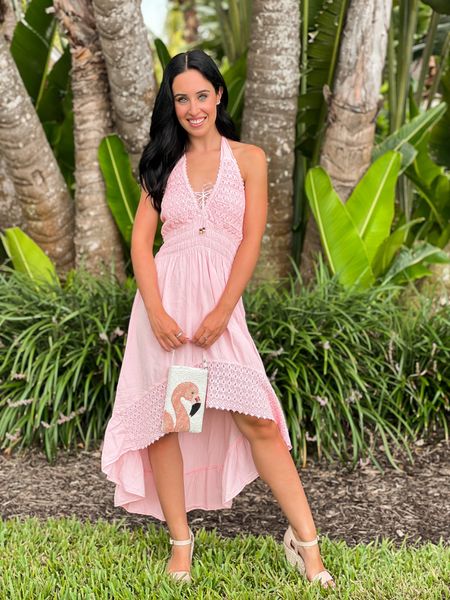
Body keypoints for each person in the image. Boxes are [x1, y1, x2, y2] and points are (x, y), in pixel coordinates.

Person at [101, 49, 335, 590]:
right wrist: (156, 311)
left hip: (219, 309)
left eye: (201, 95)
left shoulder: (249, 158)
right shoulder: (163, 164)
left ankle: (306, 546)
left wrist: (224, 310)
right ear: (173, 104)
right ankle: (181, 543)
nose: (192, 107)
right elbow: (140, 242)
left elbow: (251, 240)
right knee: (171, 422)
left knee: (258, 420)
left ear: (219, 95)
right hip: (165, 311)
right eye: (181, 98)